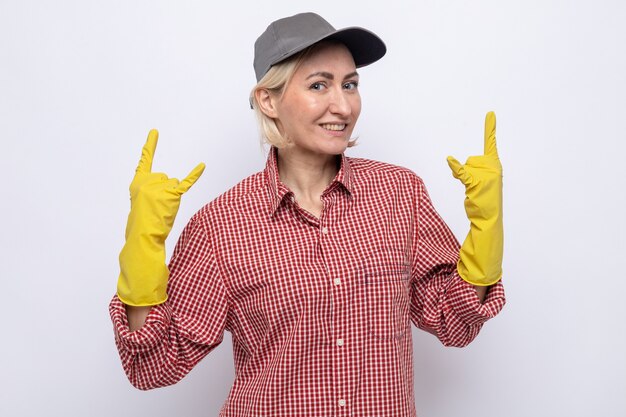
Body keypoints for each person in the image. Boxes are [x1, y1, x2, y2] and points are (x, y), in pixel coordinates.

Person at [110, 12, 506, 416]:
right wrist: (144, 242)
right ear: (268, 99)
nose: (343, 105)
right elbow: (152, 366)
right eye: (319, 85)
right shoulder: (221, 225)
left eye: (350, 85)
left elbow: (452, 323)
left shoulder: (399, 194)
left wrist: (485, 228)